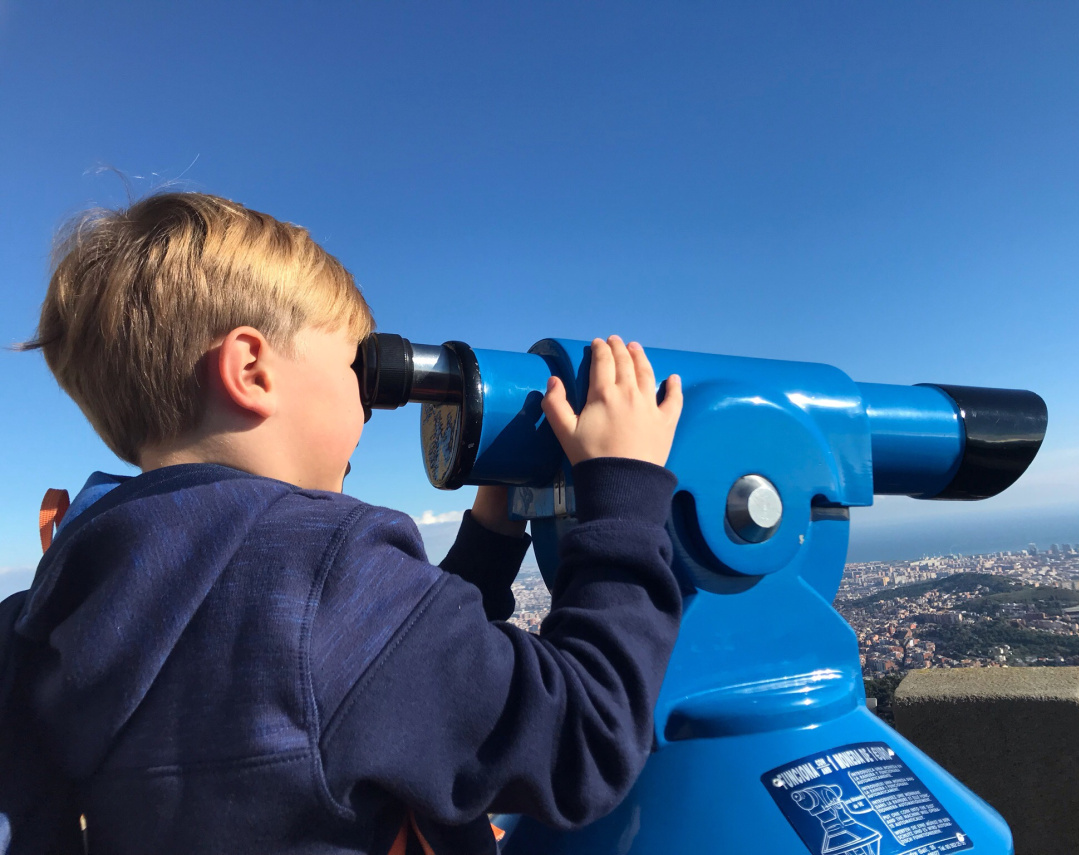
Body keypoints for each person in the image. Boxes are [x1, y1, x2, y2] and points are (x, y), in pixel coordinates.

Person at [12, 192, 684, 854]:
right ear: (251, 369)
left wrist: (492, 534)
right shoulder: (327, 568)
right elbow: (584, 737)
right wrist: (623, 491)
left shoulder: (54, 606)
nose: (371, 409)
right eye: (359, 370)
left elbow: (374, 686)